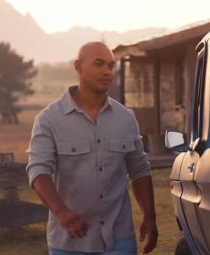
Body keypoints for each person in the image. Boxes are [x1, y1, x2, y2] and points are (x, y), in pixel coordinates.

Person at [26, 41, 158, 254]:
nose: (107, 71)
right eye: (99, 64)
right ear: (78, 66)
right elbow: (38, 171)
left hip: (120, 239)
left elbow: (140, 170)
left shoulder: (126, 118)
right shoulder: (49, 120)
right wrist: (62, 212)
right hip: (69, 243)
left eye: (111, 66)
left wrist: (150, 218)